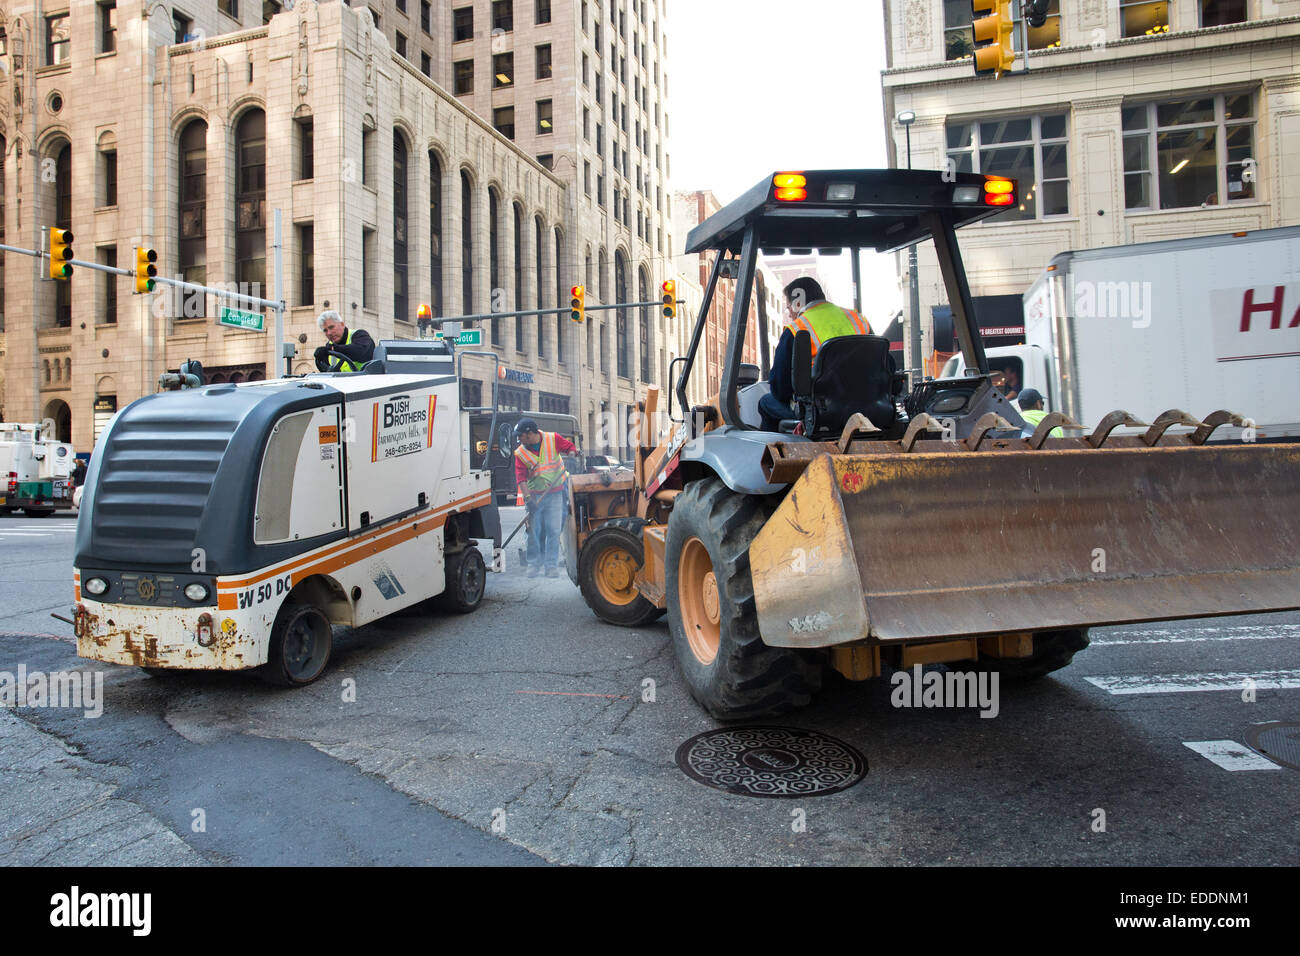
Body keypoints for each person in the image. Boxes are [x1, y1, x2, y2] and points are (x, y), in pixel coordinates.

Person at [758, 277, 872, 430]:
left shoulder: (797, 329)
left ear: (798, 302)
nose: (790, 313)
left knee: (766, 402)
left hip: (821, 413)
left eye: (789, 307)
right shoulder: (858, 319)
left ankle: (775, 451)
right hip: (868, 406)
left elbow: (780, 388)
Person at [513, 418, 576, 577]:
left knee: (553, 530)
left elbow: (570, 447)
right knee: (534, 531)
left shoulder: (552, 439)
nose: (518, 439)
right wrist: (528, 499)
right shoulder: (520, 452)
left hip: (555, 492)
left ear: (529, 434)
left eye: (520, 435)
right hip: (534, 495)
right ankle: (534, 564)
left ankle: (551, 566)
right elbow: (521, 478)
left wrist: (573, 457)